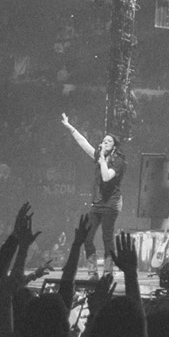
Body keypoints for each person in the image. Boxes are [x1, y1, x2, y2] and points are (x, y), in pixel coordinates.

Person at [61, 113, 127, 271]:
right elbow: (83, 143)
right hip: (97, 203)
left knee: (107, 237)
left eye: (108, 141)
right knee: (87, 236)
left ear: (114, 146)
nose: (105, 142)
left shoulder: (118, 162)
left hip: (111, 203)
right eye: (104, 141)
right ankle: (92, 269)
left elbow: (106, 177)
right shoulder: (99, 156)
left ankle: (108, 270)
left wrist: (102, 160)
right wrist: (70, 127)